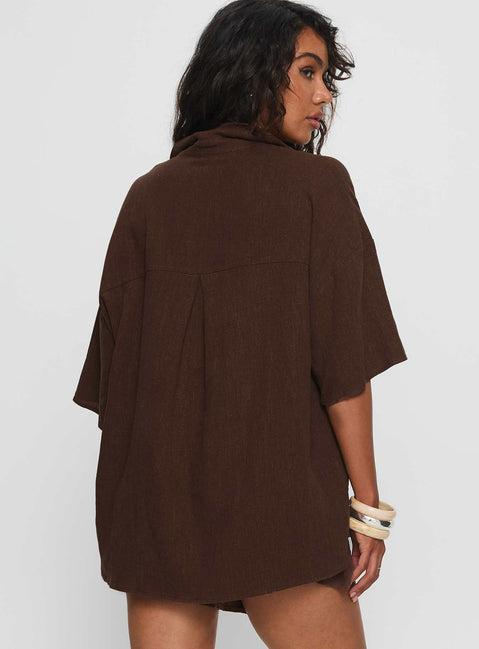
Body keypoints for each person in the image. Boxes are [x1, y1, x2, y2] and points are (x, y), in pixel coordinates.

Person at [72, 1, 408, 647]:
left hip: (157, 508)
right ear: (251, 72)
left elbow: (115, 386)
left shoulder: (148, 195)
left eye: (326, 78)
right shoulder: (317, 186)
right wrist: (368, 509)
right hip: (278, 504)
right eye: (306, 71)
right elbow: (344, 367)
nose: (322, 95)